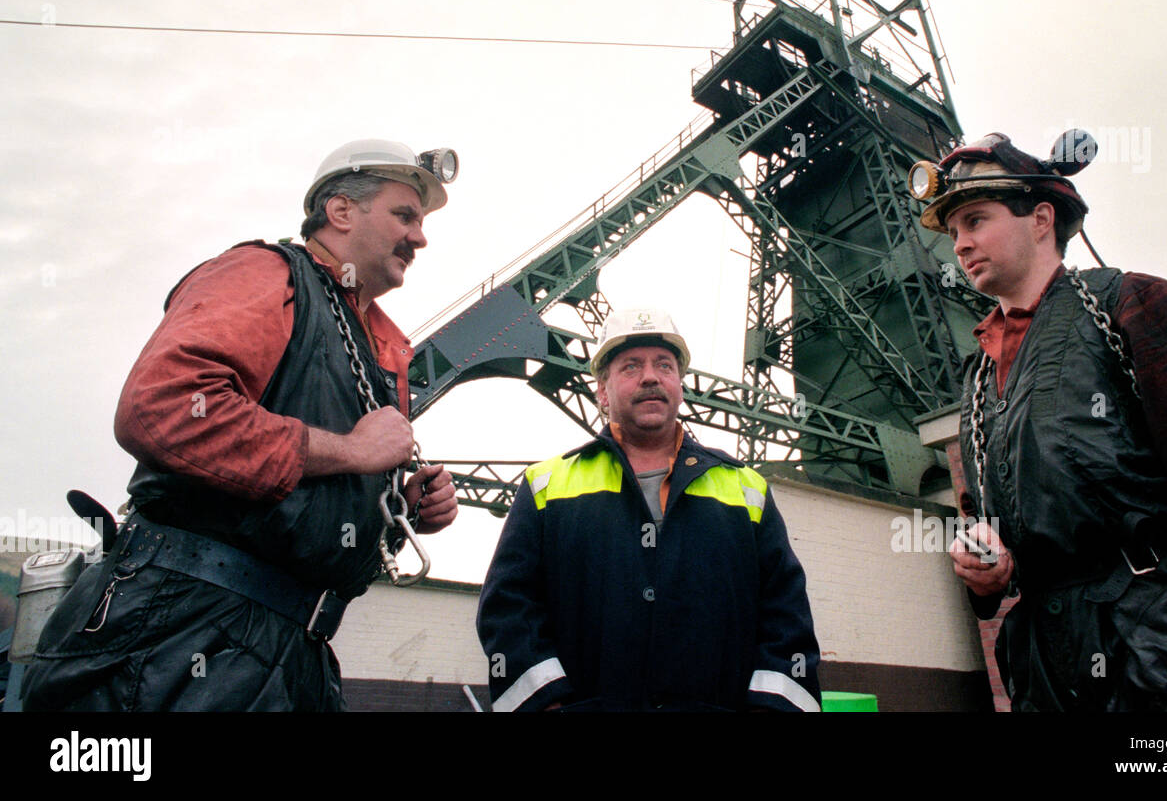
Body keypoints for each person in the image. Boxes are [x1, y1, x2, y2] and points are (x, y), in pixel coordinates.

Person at [22, 139, 461, 711]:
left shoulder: (379, 343)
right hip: (180, 635)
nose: (420, 237)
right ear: (341, 210)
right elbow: (165, 408)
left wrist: (398, 509)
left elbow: (311, 495)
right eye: (404, 215)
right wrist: (352, 454)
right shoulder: (265, 273)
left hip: (293, 651)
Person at [909, 130, 1167, 711]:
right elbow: (1006, 533)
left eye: (976, 220)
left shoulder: (1137, 306)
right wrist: (993, 573)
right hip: (1046, 678)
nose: (960, 245)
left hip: (1166, 669)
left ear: (1041, 218)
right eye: (955, 232)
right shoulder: (977, 377)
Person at [477, 309, 821, 711]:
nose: (651, 377)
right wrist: (548, 706)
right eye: (630, 367)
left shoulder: (746, 488)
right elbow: (508, 610)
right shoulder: (545, 486)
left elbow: (786, 616)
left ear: (679, 385)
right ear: (602, 391)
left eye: (664, 365)